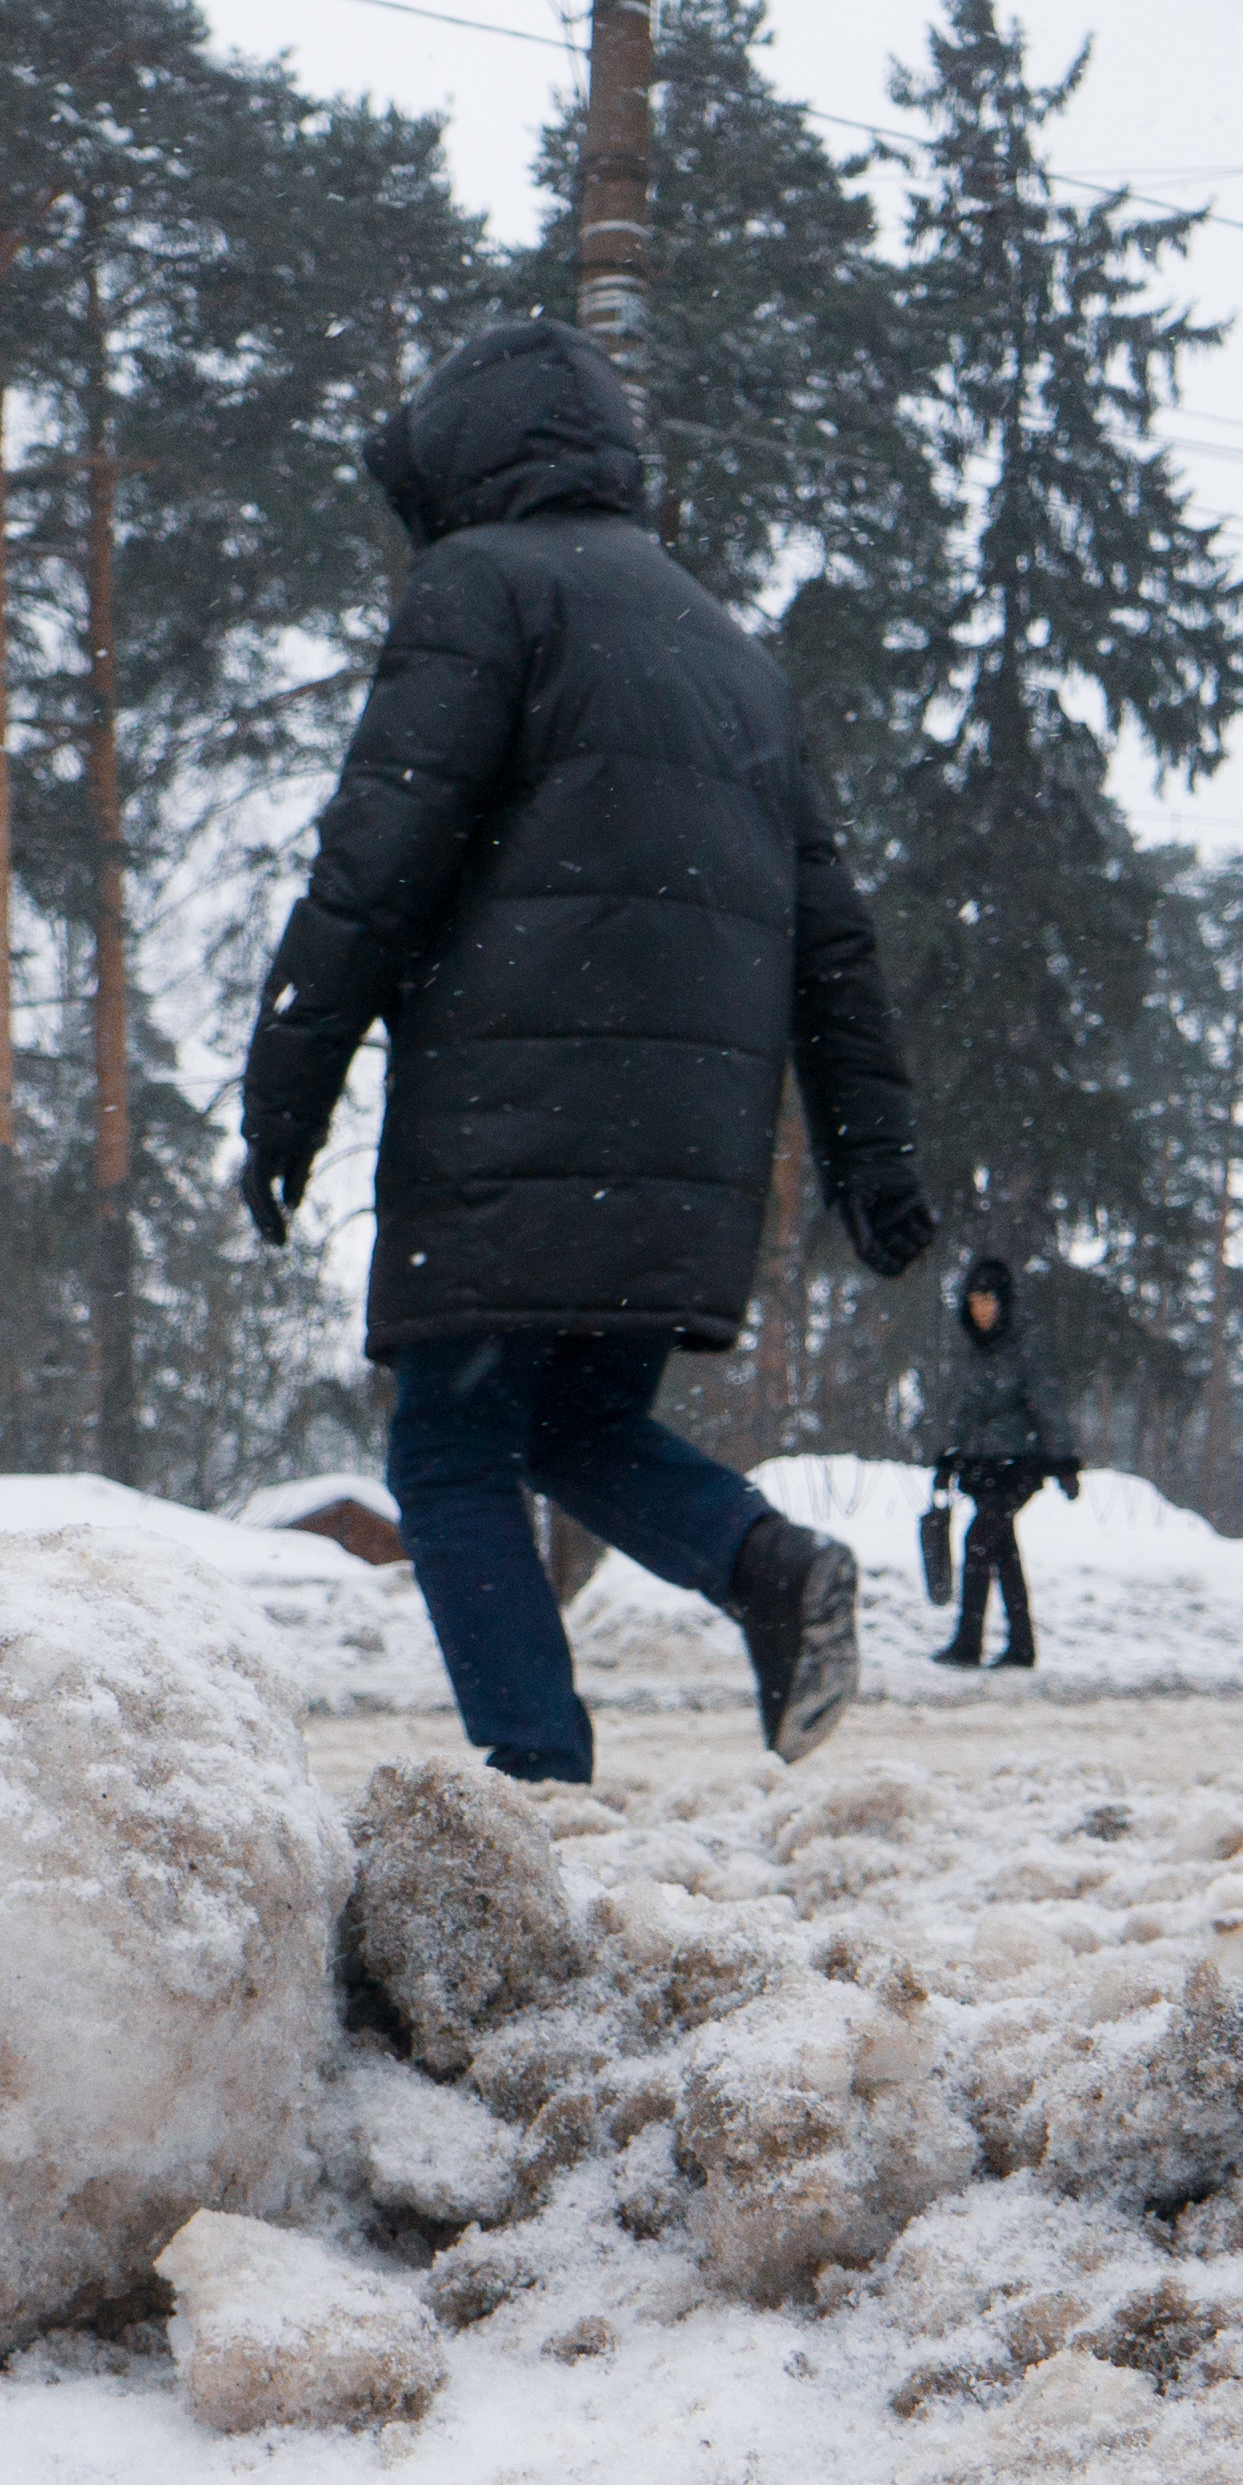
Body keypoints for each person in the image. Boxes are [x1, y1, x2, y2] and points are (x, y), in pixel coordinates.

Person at [240, 317, 935, 1784]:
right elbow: (834, 939)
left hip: (511, 1115)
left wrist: (285, 1086)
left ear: (465, 461)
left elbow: (374, 867)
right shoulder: (730, 650)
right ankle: (762, 1564)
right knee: (567, 1419)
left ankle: (536, 1778)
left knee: (446, 1448)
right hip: (686, 1148)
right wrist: (874, 1152)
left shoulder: (480, 587)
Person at [923, 1250, 1077, 1671]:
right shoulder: (976, 1353)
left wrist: (1063, 1462)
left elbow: (1049, 1405)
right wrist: (947, 1460)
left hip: (1018, 1467)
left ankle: (969, 1642)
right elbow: (964, 1413)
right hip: (982, 1468)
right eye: (974, 1302)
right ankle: (1021, 1646)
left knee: (978, 1542)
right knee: (1002, 1553)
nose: (982, 1310)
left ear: (1004, 1303)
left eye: (988, 1301)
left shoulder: (1025, 1348)